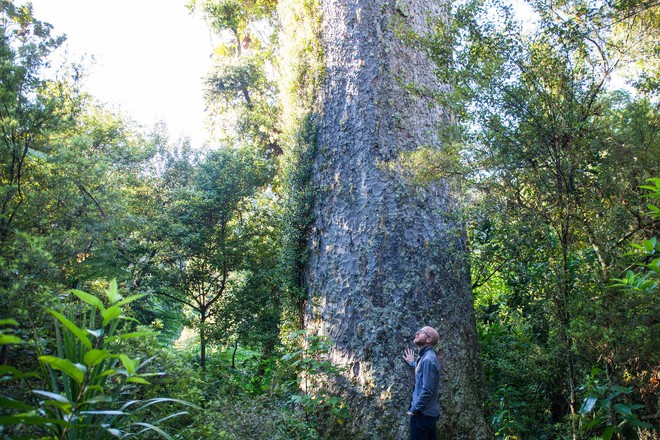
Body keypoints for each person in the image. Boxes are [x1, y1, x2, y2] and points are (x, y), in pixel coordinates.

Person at [402, 326, 441, 440]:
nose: (417, 333)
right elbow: (422, 372)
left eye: (422, 332)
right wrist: (412, 363)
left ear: (428, 340)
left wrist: (414, 409)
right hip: (427, 413)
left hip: (423, 414)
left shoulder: (428, 359)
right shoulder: (425, 357)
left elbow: (427, 389)